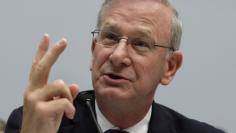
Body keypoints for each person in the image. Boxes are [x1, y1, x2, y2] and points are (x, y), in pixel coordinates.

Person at [5, 0, 225, 133]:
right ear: (93, 52)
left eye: (140, 43)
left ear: (170, 67)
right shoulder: (36, 123)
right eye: (110, 37)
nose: (118, 56)